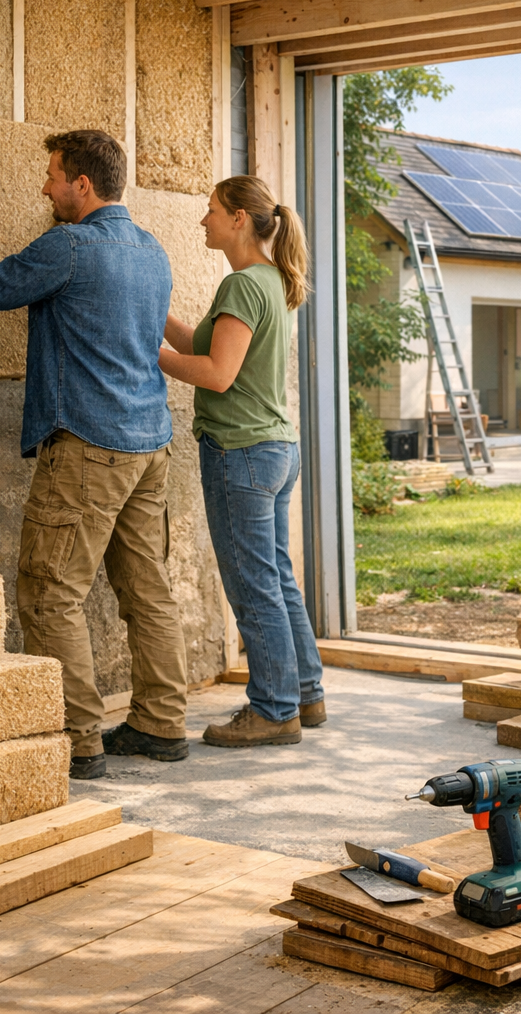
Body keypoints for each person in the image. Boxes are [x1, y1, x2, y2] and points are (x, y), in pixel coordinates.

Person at [0, 130, 189, 779]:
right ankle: (161, 725)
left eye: (52, 176)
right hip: (149, 445)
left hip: (90, 448)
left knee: (50, 593)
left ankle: (77, 739)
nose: (44, 188)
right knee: (149, 593)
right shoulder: (152, 251)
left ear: (83, 184)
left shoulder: (69, 246)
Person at [159, 175, 325, 747]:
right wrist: (152, 317)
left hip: (241, 453)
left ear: (237, 218)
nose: (202, 221)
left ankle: (274, 710)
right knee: (276, 577)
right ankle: (305, 692)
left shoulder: (241, 287)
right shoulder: (268, 281)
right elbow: (207, 348)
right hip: (275, 450)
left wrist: (149, 355)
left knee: (254, 587)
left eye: (210, 211)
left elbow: (216, 373)